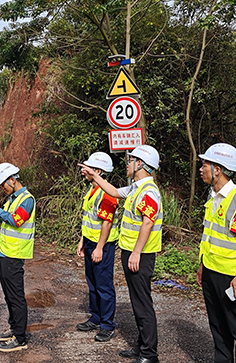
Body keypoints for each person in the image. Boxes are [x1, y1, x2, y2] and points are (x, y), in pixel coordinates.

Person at [92, 145, 162, 363]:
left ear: (139, 164)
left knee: (142, 304)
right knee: (137, 302)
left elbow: (148, 222)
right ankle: (142, 346)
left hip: (140, 255)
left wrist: (136, 253)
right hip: (132, 253)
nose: (127, 163)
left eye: (130, 160)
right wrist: (94, 175)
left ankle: (149, 354)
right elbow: (113, 191)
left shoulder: (148, 191)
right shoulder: (135, 188)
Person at [196, 143, 236, 363]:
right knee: (218, 328)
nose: (201, 168)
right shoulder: (212, 195)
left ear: (218, 169)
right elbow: (210, 235)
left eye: (205, 164)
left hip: (232, 275)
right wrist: (202, 264)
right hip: (212, 270)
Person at [0, 162, 36, 353]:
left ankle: (20, 339)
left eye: (3, 183)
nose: (3, 188)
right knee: (9, 295)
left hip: (15, 254)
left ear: (12, 180)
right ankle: (14, 328)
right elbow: (6, 219)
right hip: (4, 252)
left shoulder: (27, 200)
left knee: (17, 297)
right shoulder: (13, 198)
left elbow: (16, 220)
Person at [76, 152, 119, 342]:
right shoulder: (92, 190)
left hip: (103, 245)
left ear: (98, 171)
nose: (84, 171)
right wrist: (82, 242)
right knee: (92, 284)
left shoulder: (108, 194)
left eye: (88, 168)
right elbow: (88, 220)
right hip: (90, 242)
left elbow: (107, 223)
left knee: (104, 286)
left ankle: (107, 325)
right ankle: (95, 318)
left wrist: (100, 247)